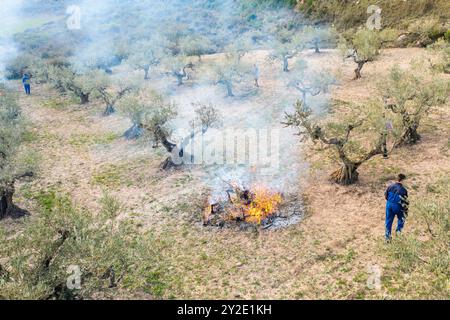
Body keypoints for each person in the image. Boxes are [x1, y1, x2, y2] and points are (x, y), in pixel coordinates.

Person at [384, 174, 409, 241]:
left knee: (388, 221)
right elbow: (405, 202)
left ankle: (387, 238)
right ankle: (398, 235)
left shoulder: (390, 186)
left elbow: (386, 196)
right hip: (398, 206)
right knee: (401, 219)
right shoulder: (403, 190)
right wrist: (406, 211)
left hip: (389, 205)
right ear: (402, 180)